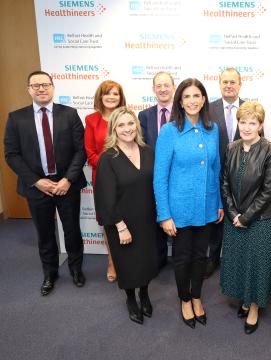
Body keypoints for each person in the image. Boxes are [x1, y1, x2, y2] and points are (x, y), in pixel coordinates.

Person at [4, 70, 87, 295]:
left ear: (52, 87)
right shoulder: (16, 118)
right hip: (37, 187)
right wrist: (36, 181)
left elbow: (81, 150)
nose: (41, 88)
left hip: (66, 185)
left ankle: (76, 269)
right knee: (45, 233)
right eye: (36, 85)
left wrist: (68, 179)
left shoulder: (69, 114)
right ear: (29, 89)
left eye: (45, 84)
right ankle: (49, 273)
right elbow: (11, 154)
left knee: (72, 230)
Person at [154, 78, 223, 329]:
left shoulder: (212, 128)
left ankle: (196, 297)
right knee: (182, 257)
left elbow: (215, 169)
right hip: (179, 210)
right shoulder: (169, 131)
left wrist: (218, 204)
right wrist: (164, 215)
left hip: (206, 207)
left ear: (204, 99)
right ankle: (184, 299)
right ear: (179, 102)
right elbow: (160, 176)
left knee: (200, 256)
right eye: (187, 97)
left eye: (197, 96)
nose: (192, 101)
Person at [220, 101, 271, 335]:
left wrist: (246, 217)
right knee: (240, 262)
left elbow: (269, 190)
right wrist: (234, 213)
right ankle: (245, 300)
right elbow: (224, 182)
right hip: (234, 218)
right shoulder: (232, 147)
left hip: (261, 220)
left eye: (252, 123)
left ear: (261, 124)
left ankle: (254, 307)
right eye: (242, 122)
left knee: (256, 265)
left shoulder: (270, 150)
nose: (246, 127)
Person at [94, 107, 158, 325]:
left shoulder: (148, 151)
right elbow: (104, 198)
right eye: (121, 125)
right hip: (122, 222)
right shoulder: (108, 158)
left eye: (130, 123)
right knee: (129, 264)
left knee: (147, 261)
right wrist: (120, 226)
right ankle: (131, 299)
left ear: (137, 126)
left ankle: (145, 294)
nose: (127, 129)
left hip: (147, 219)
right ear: (113, 129)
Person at [84, 80, 126, 282]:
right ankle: (112, 260)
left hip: (127, 180)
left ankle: (128, 260)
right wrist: (109, 167)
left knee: (128, 219)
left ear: (121, 97)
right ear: (100, 96)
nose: (111, 97)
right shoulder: (91, 120)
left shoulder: (126, 117)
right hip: (102, 179)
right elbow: (90, 153)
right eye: (107, 93)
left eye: (115, 94)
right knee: (109, 222)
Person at [206, 67, 245, 277]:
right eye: (225, 82)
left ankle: (235, 261)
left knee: (238, 217)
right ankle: (212, 259)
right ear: (219, 84)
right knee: (216, 217)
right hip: (215, 172)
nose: (228, 86)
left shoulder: (250, 108)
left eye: (233, 82)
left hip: (242, 174)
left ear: (240, 84)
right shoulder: (208, 109)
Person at [138, 71, 176, 270]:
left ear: (173, 87)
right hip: (155, 175)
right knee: (157, 217)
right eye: (158, 86)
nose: (163, 89)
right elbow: (142, 145)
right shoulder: (144, 115)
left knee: (178, 217)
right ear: (153, 89)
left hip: (179, 175)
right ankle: (159, 259)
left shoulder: (183, 113)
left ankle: (180, 260)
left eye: (166, 85)